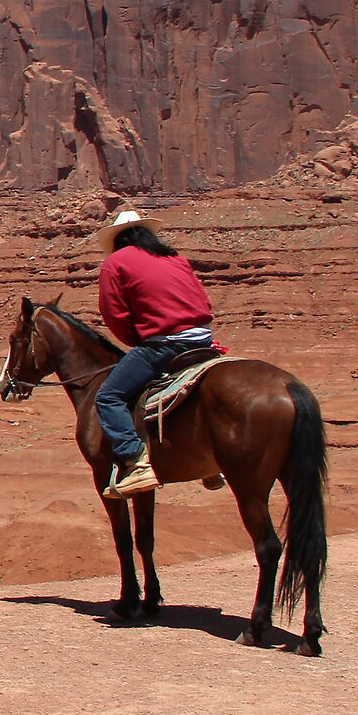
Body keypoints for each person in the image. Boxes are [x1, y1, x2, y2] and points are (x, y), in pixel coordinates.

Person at [91, 207, 214, 498]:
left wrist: (137, 341)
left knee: (109, 397)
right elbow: (203, 299)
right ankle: (212, 463)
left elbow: (114, 313)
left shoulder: (116, 262)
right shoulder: (176, 258)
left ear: (117, 240)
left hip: (165, 344)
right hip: (204, 341)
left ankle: (137, 463)